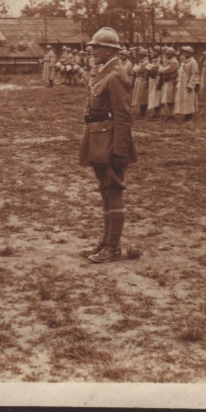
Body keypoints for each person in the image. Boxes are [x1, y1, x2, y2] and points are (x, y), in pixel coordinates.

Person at [79, 27, 136, 264]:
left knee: (114, 188)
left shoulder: (117, 75)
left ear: (109, 50)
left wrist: (120, 148)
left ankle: (114, 247)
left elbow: (123, 116)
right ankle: (106, 241)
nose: (92, 50)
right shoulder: (104, 72)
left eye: (96, 47)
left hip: (110, 138)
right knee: (105, 189)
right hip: (98, 134)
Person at [174, 46, 199, 122]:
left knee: (188, 99)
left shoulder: (193, 62)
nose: (184, 54)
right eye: (183, 52)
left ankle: (189, 115)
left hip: (188, 83)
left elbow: (194, 74)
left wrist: (190, 85)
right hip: (182, 83)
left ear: (190, 53)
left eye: (185, 52)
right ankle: (185, 114)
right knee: (182, 98)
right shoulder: (184, 62)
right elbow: (180, 71)